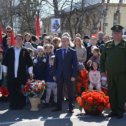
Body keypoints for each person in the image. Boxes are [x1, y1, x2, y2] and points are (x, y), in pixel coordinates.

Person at [100, 24, 126, 119]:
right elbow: (102, 59)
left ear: (121, 34)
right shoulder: (108, 44)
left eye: (118, 33)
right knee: (112, 92)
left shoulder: (125, 44)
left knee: (121, 92)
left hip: (122, 74)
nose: (116, 35)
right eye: (115, 33)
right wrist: (102, 70)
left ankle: (120, 111)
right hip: (110, 74)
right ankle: (113, 110)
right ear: (112, 34)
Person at [2, 34, 33, 110]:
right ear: (15, 40)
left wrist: (30, 73)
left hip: (21, 75)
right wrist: (5, 72)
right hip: (11, 74)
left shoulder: (25, 51)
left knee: (21, 90)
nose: (18, 41)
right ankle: (13, 104)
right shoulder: (10, 50)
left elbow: (30, 63)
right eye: (17, 39)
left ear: (22, 41)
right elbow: (4, 62)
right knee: (12, 89)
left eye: (20, 39)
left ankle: (21, 104)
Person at [53, 35, 78, 113]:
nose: (64, 42)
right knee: (59, 91)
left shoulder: (73, 52)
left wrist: (74, 75)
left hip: (69, 75)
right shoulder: (57, 51)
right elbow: (55, 64)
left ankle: (71, 107)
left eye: (66, 40)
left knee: (70, 91)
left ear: (69, 42)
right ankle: (58, 107)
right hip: (59, 74)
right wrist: (54, 74)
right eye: (62, 41)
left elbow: (75, 65)